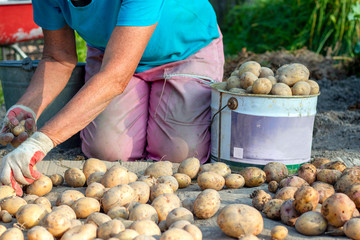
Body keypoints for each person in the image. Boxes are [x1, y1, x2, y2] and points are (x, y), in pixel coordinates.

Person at [0, 0, 224, 195]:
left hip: (184, 51)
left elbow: (115, 78)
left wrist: (41, 141)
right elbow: (58, 57)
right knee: (105, 152)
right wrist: (27, 106)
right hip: (111, 54)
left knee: (179, 155)